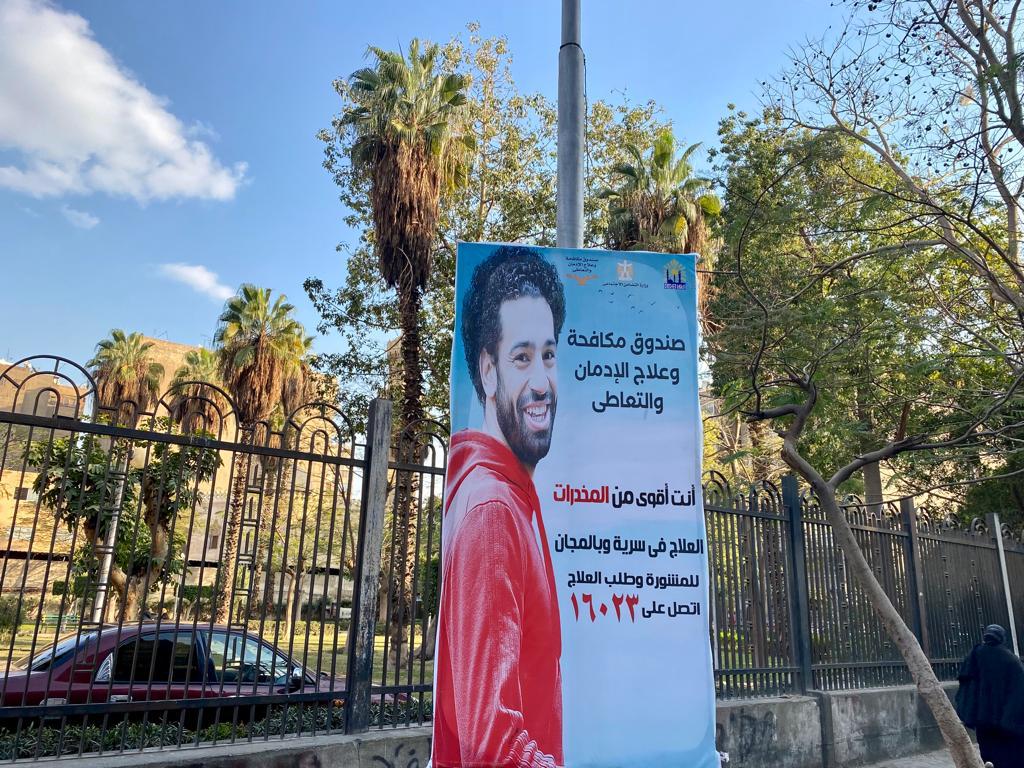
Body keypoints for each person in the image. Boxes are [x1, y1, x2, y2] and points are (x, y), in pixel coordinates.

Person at [433, 245, 566, 768]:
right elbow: (493, 747)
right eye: (522, 357)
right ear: (488, 371)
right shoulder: (493, 512)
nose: (541, 382)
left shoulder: (509, 494)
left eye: (548, 355)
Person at [955, 623, 1024, 767]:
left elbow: (965, 682)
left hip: (983, 719)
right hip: (1005, 723)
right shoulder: (1011, 660)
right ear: (1001, 638)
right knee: (1009, 755)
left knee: (988, 753)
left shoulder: (974, 656)